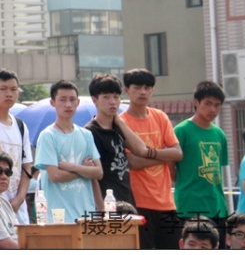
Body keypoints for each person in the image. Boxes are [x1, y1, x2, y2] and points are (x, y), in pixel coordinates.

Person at [119, 68, 184, 249]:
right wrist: (163, 155)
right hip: (139, 202)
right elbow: (133, 162)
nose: (143, 92)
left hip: (166, 203)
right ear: (127, 90)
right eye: (137, 87)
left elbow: (178, 153)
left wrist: (147, 152)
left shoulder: (160, 117)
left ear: (152, 91)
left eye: (147, 88)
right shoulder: (121, 122)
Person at [34, 80, 102, 223]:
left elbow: (98, 172)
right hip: (58, 218)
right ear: (52, 103)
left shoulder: (86, 135)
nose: (68, 104)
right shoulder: (47, 136)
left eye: (72, 100)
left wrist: (70, 167)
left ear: (78, 102)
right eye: (63, 100)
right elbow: (55, 175)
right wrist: (83, 170)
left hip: (86, 216)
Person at [84, 73, 151, 208]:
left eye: (116, 97)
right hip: (107, 202)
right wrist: (101, 208)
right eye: (106, 97)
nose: (112, 102)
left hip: (127, 199)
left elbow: (141, 150)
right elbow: (92, 176)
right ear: (94, 100)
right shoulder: (90, 132)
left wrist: (120, 122)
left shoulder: (119, 127)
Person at [174, 80, 229, 240]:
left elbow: (219, 170)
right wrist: (186, 181)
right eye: (208, 104)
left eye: (217, 105)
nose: (213, 109)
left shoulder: (220, 134)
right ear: (196, 102)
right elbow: (169, 167)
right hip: (190, 206)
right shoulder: (181, 131)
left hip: (217, 206)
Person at [0, 68, 33, 224]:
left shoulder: (20, 126)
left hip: (18, 210)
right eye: (3, 89)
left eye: (13, 89)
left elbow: (26, 166)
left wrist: (19, 199)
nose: (9, 94)